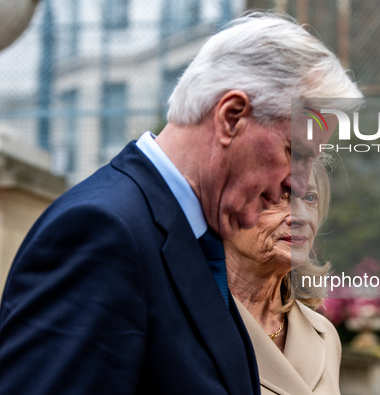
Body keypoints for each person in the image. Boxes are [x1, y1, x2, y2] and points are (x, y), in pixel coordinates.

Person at [0, 13, 361, 395]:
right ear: (231, 117)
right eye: (294, 152)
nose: (299, 183)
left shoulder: (195, 237)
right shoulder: (100, 231)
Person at [225, 157, 340, 394]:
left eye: (309, 198)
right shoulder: (181, 326)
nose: (301, 217)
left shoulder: (325, 335)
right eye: (276, 197)